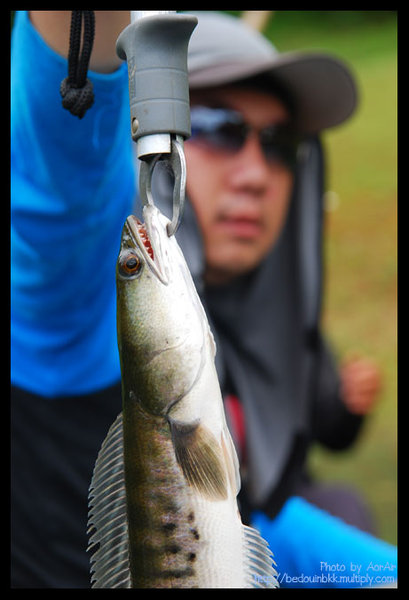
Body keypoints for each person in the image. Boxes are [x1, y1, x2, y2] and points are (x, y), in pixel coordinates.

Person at [11, 10, 396, 588]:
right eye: (219, 125)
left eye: (280, 143)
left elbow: (258, 517)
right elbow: (66, 161)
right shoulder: (79, 310)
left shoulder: (257, 335)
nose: (256, 174)